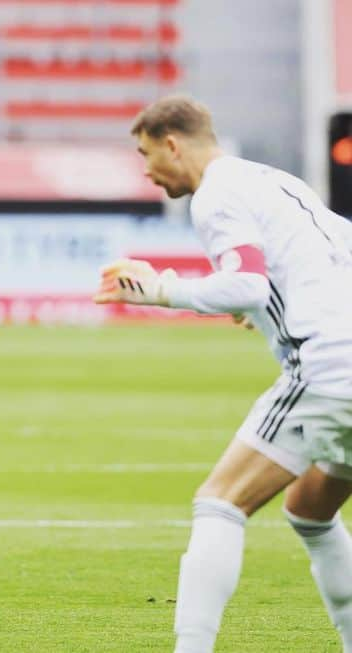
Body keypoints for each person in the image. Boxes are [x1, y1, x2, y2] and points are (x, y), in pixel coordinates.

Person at [94, 95, 352, 653]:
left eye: (145, 154)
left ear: (172, 142)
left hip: (331, 367)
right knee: (310, 511)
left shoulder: (214, 196)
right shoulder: (274, 181)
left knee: (219, 502)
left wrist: (160, 289)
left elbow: (247, 284)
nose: (146, 170)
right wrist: (258, 306)